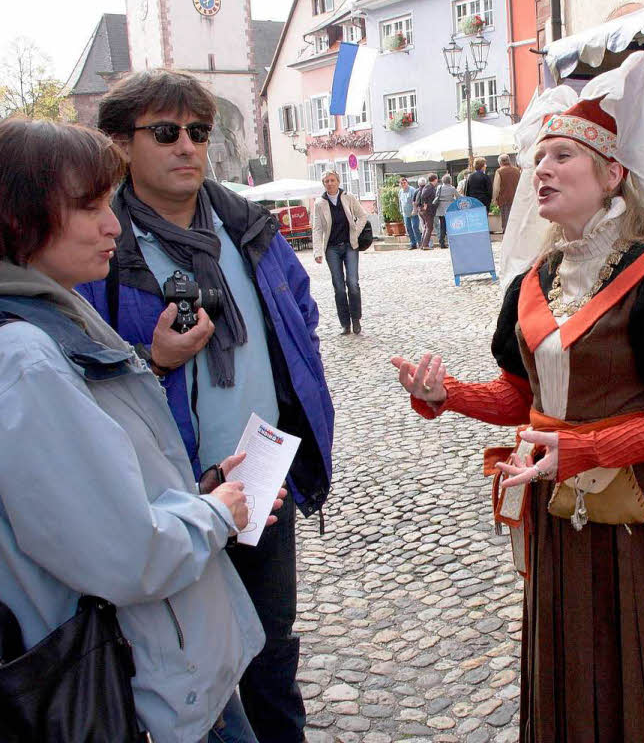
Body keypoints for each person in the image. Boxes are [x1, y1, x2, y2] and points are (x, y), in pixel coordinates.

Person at [391, 52, 644, 742]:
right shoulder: (537, 278)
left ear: (612, 174)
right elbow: (524, 395)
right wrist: (447, 396)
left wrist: (582, 448)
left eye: (562, 155)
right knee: (577, 652)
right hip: (561, 508)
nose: (542, 170)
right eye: (538, 158)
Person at [0, 117, 288, 743]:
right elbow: (123, 551)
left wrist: (199, 490)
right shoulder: (23, 354)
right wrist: (212, 513)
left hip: (162, 661)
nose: (111, 224)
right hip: (139, 680)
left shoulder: (49, 312)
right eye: (89, 207)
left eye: (109, 203)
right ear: (20, 218)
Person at [76, 69, 334, 743]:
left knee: (272, 650)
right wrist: (156, 359)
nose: (187, 146)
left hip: (257, 477)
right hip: (167, 491)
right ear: (122, 145)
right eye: (166, 132)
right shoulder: (103, 245)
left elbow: (300, 316)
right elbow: (82, 376)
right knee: (182, 656)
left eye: (198, 131)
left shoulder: (249, 227)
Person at [313, 170, 370, 335]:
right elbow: (317, 229)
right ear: (324, 184)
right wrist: (317, 251)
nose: (330, 183)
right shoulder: (319, 204)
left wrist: (356, 232)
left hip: (350, 245)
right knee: (338, 287)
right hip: (332, 248)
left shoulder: (348, 197)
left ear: (338, 181)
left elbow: (362, 216)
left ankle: (356, 319)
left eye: (332, 180)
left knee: (353, 283)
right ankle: (345, 323)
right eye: (326, 181)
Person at [491, 153, 522, 233]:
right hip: (517, 199)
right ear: (509, 161)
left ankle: (508, 240)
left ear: (500, 162)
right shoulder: (517, 170)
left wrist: (494, 199)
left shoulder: (499, 171)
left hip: (505, 200)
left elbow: (496, 188)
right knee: (516, 222)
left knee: (506, 222)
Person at [433, 174, 458, 248]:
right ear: (450, 180)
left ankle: (442, 243)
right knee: (451, 226)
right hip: (449, 209)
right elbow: (458, 196)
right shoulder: (452, 188)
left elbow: (436, 196)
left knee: (442, 226)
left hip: (440, 209)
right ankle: (452, 242)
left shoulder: (439, 187)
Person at [398, 176, 421, 249]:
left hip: (413, 212)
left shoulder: (412, 190)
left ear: (407, 182)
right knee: (408, 228)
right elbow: (400, 202)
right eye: (401, 183)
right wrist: (401, 211)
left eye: (404, 183)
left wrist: (415, 210)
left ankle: (420, 243)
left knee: (415, 227)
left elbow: (416, 201)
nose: (403, 184)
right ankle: (413, 243)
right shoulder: (400, 191)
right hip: (405, 214)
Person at [418, 173, 438, 250]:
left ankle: (422, 245)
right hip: (428, 210)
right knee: (429, 227)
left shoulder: (430, 186)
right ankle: (425, 245)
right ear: (435, 179)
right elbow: (423, 196)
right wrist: (425, 204)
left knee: (427, 227)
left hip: (429, 210)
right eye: (436, 179)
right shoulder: (429, 187)